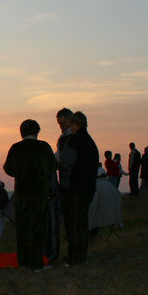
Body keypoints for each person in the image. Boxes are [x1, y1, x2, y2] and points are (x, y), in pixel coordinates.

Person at [3, 119, 57, 270]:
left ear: (21, 133)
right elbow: (53, 166)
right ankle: (36, 262)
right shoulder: (44, 147)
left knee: (22, 228)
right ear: (37, 132)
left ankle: (23, 261)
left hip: (22, 193)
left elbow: (8, 169)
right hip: (39, 193)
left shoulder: (16, 148)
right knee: (38, 229)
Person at [56, 111, 99, 265]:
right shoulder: (89, 141)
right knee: (82, 223)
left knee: (73, 225)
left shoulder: (75, 141)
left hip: (73, 189)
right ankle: (81, 256)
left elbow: (64, 163)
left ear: (75, 124)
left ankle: (74, 257)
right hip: (87, 188)